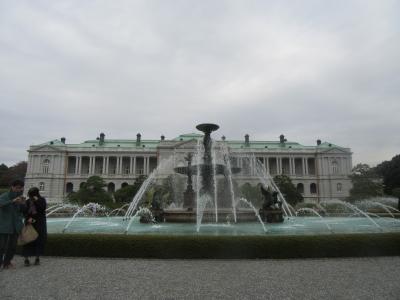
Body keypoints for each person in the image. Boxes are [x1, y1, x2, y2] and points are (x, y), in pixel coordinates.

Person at [0, 180, 25, 269]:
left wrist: (22, 204)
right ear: (12, 187)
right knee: (1, 246)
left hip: (15, 226)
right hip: (4, 225)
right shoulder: (5, 196)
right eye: (17, 188)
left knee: (13, 246)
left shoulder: (20, 197)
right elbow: (1, 204)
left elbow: (22, 211)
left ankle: (7, 262)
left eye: (20, 188)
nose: (19, 190)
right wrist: (12, 201)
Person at [22, 187, 47, 266]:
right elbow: (25, 211)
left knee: (39, 240)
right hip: (29, 222)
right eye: (30, 195)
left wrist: (37, 200)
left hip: (39, 223)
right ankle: (26, 259)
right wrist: (28, 218)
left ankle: (37, 258)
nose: (31, 197)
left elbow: (42, 209)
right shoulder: (28, 201)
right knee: (27, 240)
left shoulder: (41, 200)